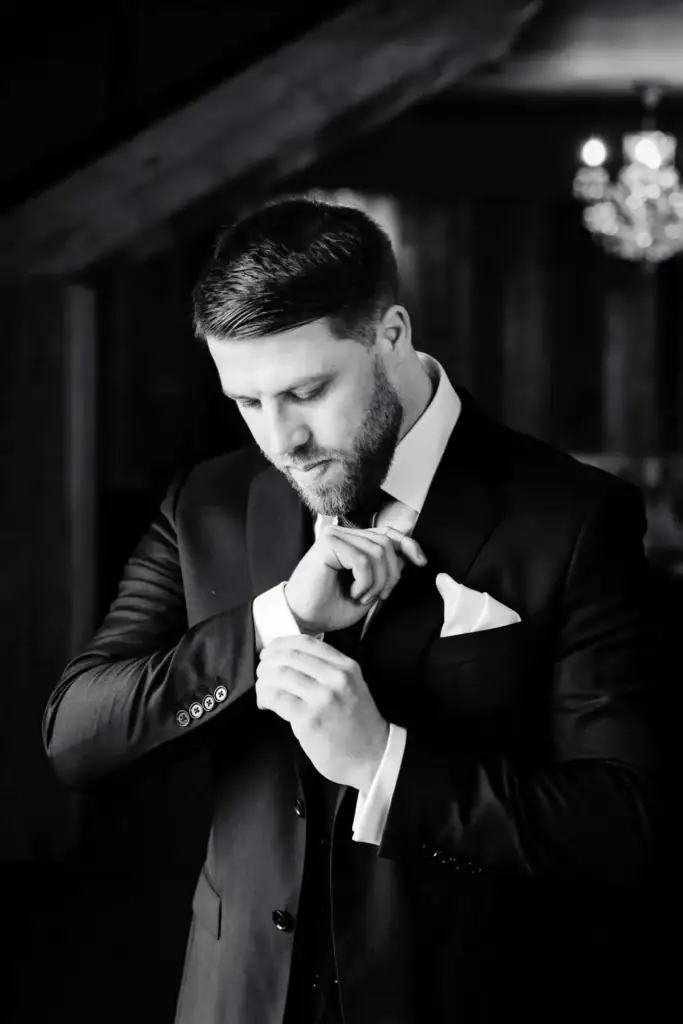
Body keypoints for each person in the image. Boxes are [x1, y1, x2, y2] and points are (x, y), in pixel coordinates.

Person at [43, 196, 659, 1024]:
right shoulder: (209, 502)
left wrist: (384, 765)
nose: (281, 440)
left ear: (390, 335)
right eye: (247, 402)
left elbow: (626, 821)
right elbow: (77, 738)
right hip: (234, 998)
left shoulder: (574, 517)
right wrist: (277, 621)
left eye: (306, 391)